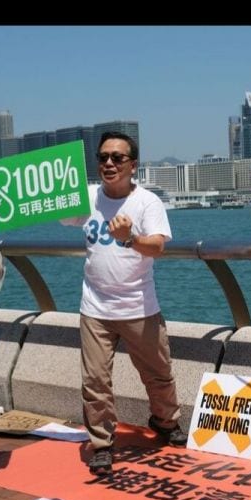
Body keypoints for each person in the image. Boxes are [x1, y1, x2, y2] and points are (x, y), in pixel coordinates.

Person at [78, 131, 187, 474]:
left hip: (140, 306)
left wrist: (129, 239)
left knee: (158, 374)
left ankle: (166, 422)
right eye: (103, 157)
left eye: (117, 158)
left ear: (133, 165)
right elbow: (32, 208)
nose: (109, 163)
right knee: (95, 381)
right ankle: (101, 443)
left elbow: (157, 247)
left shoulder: (147, 202)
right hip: (95, 306)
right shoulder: (88, 198)